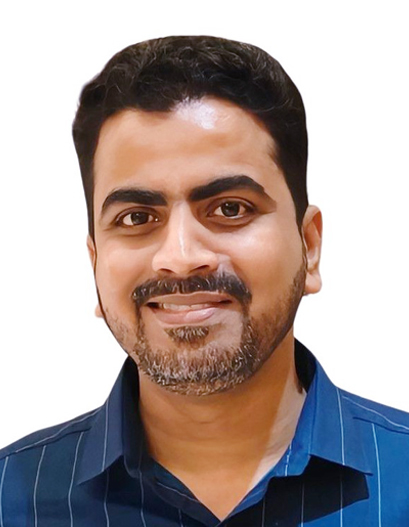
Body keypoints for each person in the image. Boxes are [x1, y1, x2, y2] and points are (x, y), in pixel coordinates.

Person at [0, 35, 408, 527]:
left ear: (310, 245)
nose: (180, 258)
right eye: (136, 218)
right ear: (95, 263)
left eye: (230, 208)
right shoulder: (10, 497)